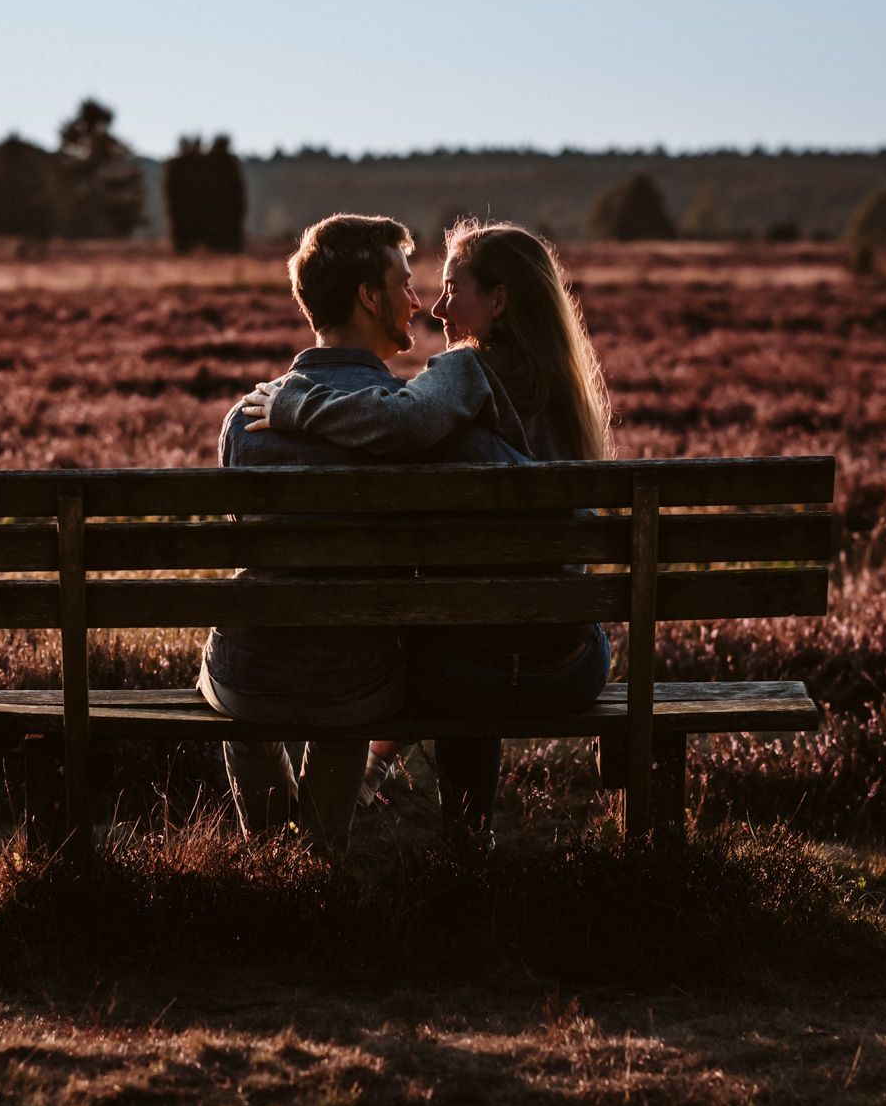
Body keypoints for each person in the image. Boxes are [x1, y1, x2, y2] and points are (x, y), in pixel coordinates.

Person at [240, 220, 614, 851]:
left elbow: (403, 421)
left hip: (473, 675)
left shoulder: (467, 372)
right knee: (504, 620)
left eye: (452, 289)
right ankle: (435, 816)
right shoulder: (572, 397)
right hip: (571, 669)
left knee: (461, 642)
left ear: (498, 301)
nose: (436, 307)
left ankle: (457, 838)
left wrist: (297, 404)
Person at [199, 213, 524, 860]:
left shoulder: (245, 419)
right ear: (368, 298)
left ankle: (268, 859)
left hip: (250, 676)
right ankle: (321, 855)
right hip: (359, 684)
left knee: (234, 667)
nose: (418, 302)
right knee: (347, 662)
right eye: (404, 284)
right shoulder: (412, 422)